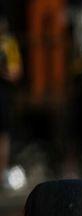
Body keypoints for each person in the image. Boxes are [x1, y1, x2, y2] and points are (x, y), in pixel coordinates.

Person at [0, 16, 22, 189]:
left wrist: (3, 71)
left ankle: (2, 172)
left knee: (3, 135)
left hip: (3, 94)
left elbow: (15, 72)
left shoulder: (8, 44)